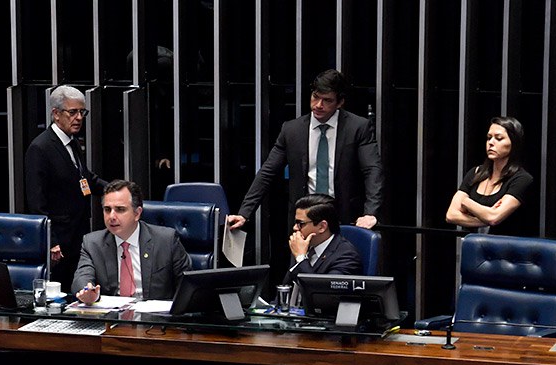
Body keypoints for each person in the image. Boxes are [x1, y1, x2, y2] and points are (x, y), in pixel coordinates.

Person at [227, 69, 384, 233]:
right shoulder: (292, 130)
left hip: (344, 217)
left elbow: (372, 170)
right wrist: (244, 213)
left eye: (327, 100)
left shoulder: (357, 127)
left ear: (340, 103)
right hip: (304, 220)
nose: (318, 105)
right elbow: (267, 172)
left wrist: (370, 212)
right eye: (315, 97)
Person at [25, 85, 107, 291]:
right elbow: (36, 202)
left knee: (77, 287)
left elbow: (85, 178)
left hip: (78, 233)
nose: (79, 117)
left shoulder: (72, 142)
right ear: (56, 114)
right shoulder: (40, 148)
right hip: (59, 240)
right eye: (73, 112)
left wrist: (115, 190)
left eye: (82, 112)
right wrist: (50, 241)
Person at [73, 179, 191, 303]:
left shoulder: (166, 240)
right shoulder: (92, 243)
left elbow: (188, 287)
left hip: (156, 318)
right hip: (111, 319)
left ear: (137, 213)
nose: (112, 216)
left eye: (120, 209)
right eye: (107, 209)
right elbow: (82, 277)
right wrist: (87, 291)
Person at [445, 116, 532, 236]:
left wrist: (466, 202)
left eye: (499, 138)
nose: (491, 143)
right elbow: (451, 215)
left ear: (513, 143)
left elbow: (494, 217)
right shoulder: (475, 172)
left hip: (505, 249)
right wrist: (484, 218)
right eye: (489, 138)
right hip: (474, 247)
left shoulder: (522, 179)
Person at [282, 194, 361, 285]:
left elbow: (321, 295)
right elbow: (285, 289)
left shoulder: (346, 257)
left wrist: (301, 259)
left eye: (301, 223)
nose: (295, 228)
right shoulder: (303, 245)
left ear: (322, 227)